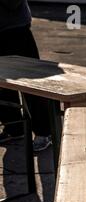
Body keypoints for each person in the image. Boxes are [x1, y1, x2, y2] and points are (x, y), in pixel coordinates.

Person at [0, 0, 52, 152]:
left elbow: (13, 3)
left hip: (16, 31)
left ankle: (45, 132)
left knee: (31, 85)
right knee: (3, 86)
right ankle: (14, 128)